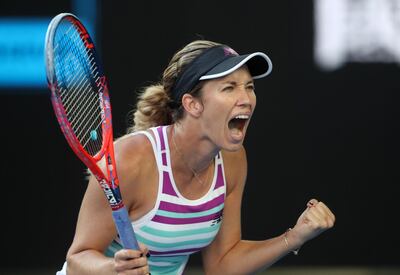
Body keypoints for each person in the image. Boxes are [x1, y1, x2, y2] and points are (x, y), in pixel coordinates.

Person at [57, 40, 335, 275]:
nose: (246, 98)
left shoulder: (232, 161)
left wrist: (294, 237)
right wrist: (113, 269)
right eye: (229, 88)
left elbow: (223, 264)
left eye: (249, 86)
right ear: (193, 104)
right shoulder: (130, 160)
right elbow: (78, 257)